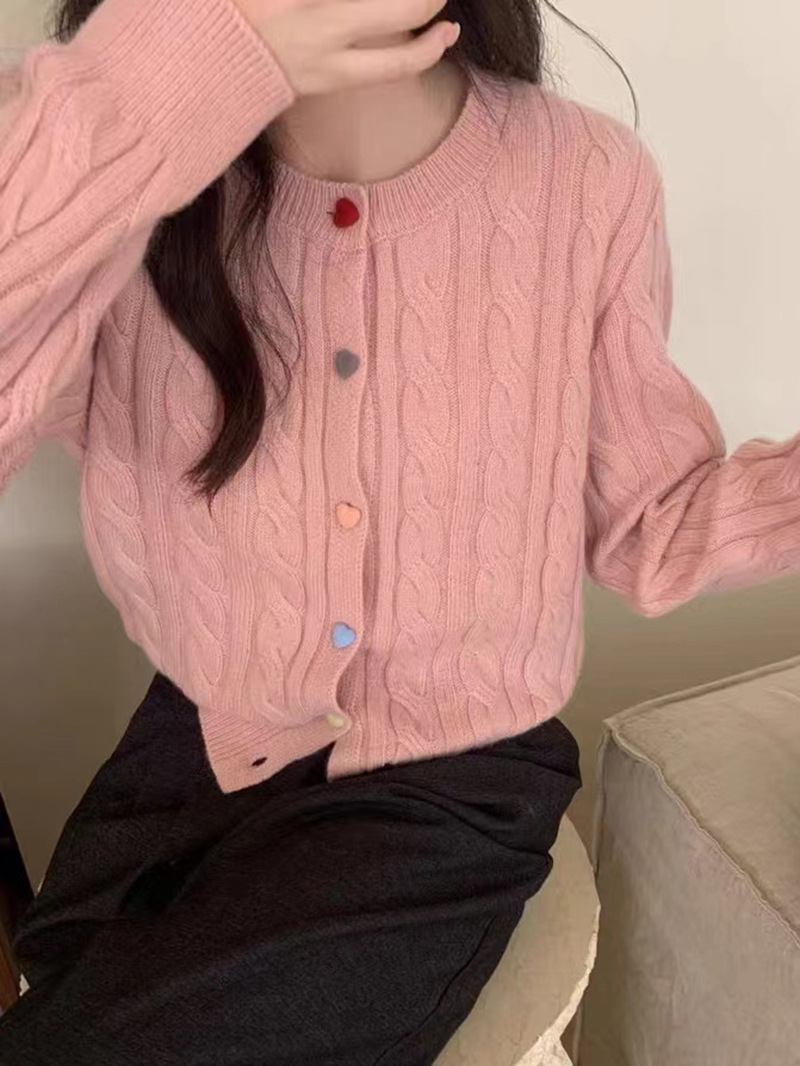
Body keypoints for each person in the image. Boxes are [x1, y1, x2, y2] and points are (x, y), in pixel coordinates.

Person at [0, 0, 799, 1062]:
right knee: (63, 988)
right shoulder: (123, 177)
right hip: (194, 745)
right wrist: (153, 93)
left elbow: (650, 525)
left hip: (454, 779)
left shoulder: (583, 180)